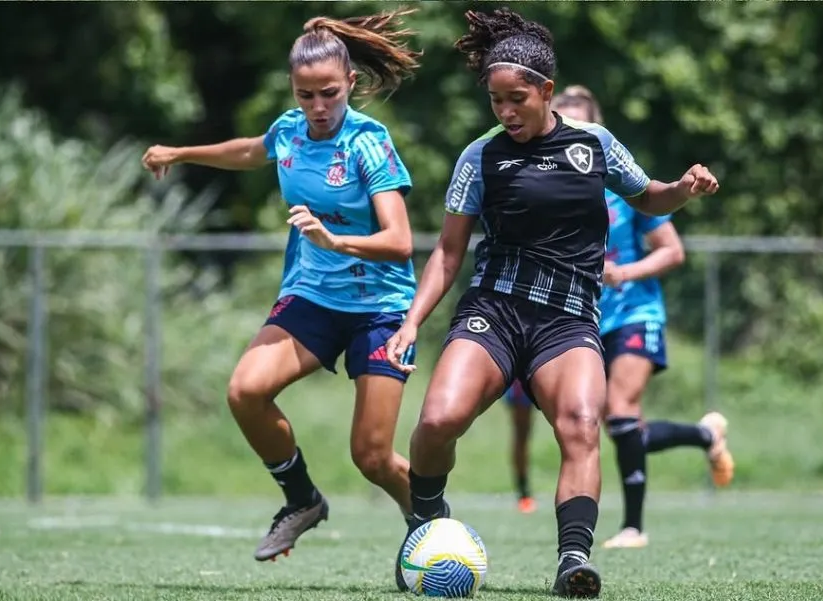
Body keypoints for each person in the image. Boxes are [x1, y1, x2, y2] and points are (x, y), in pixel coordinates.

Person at [384, 7, 720, 597]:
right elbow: (447, 254)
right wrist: (413, 321)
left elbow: (650, 200)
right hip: (495, 310)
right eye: (495, 101)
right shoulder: (479, 157)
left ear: (545, 90)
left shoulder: (594, 144)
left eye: (517, 99)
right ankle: (425, 526)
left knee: (583, 425)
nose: (506, 112)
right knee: (437, 421)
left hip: (567, 319)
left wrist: (683, 190)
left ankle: (573, 561)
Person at [140, 9, 423, 563]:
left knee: (371, 455)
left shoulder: (368, 142)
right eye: (305, 94)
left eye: (329, 94)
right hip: (313, 296)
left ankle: (432, 522)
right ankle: (302, 501)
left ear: (351, 85)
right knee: (245, 390)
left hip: (379, 307)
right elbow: (252, 149)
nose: (317, 107)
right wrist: (181, 152)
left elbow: (400, 241)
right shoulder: (290, 129)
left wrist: (338, 242)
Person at [501, 86, 736, 547]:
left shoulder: (620, 184)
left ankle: (633, 527)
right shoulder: (543, 183)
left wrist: (623, 271)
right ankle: (705, 435)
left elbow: (672, 251)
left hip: (634, 311)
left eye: (578, 125)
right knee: (615, 424)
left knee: (623, 413)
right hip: (582, 320)